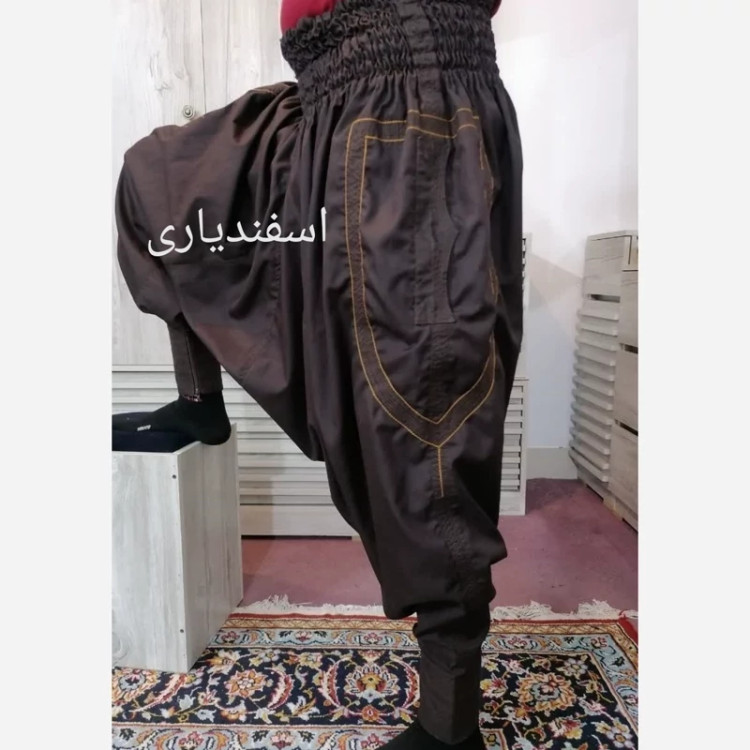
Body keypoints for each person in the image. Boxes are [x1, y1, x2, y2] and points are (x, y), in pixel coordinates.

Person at [113, 0, 523, 747]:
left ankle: (450, 726)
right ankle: (200, 400)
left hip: (407, 103)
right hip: (323, 101)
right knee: (157, 180)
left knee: (424, 427)